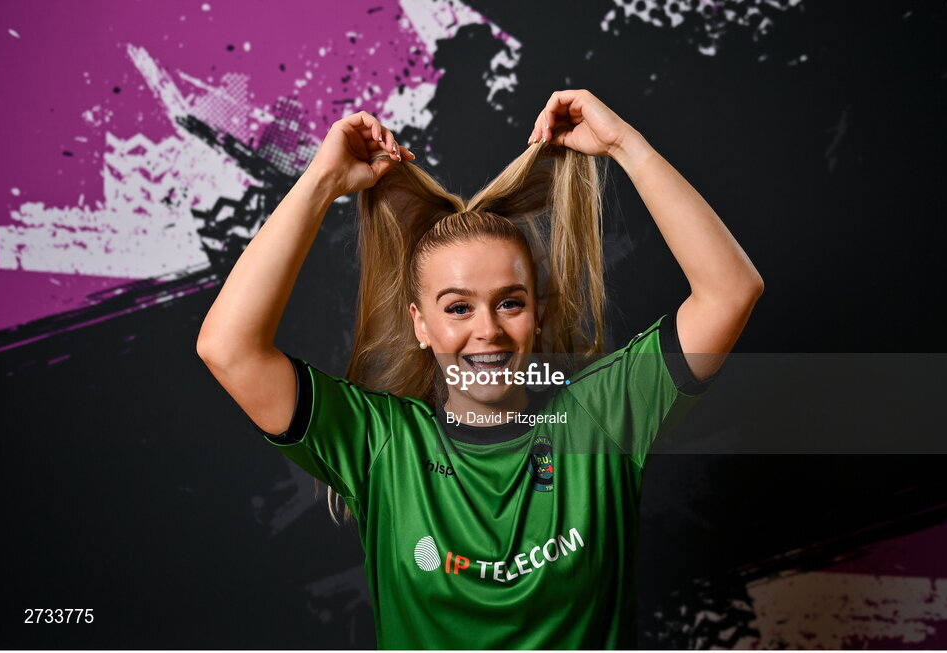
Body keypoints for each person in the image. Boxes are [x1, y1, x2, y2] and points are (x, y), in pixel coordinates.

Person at [197, 89, 763, 649]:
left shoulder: (600, 419)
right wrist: (322, 181)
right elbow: (228, 349)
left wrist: (625, 145)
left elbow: (730, 291)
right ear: (421, 325)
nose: (488, 329)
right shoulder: (380, 444)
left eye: (510, 303)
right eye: (458, 308)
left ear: (537, 315)